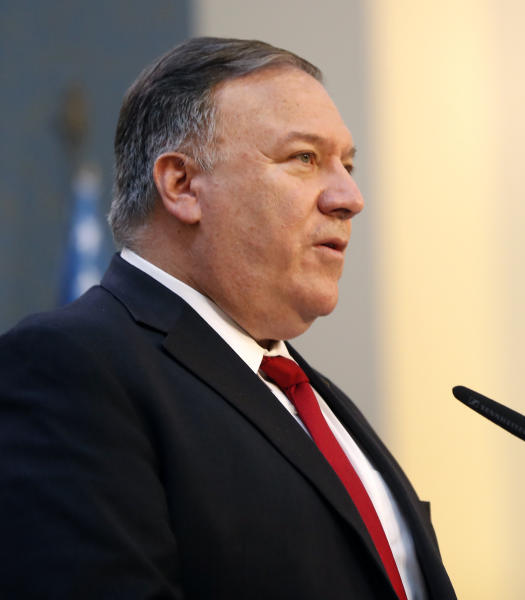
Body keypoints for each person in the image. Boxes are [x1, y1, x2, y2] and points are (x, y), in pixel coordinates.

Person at [0, 37, 456, 600]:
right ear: (182, 185)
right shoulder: (71, 366)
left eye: (349, 164)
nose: (349, 196)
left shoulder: (306, 392)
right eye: (305, 158)